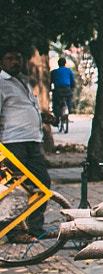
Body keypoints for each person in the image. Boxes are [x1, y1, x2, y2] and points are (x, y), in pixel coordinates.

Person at [0, 48, 56, 243]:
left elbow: (20, 109)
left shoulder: (23, 81)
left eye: (18, 58)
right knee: (14, 188)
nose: (15, 62)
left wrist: (41, 117)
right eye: (9, 58)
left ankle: (35, 227)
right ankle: (14, 231)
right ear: (1, 62)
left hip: (32, 141)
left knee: (42, 183)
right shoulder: (1, 83)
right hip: (12, 142)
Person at [48, 57, 75, 132]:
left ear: (58, 64)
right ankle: (69, 109)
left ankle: (57, 118)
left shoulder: (54, 72)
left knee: (56, 104)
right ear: (65, 63)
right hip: (67, 89)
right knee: (69, 98)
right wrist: (73, 87)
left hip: (58, 89)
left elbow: (51, 81)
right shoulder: (69, 70)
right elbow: (72, 80)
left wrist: (50, 89)